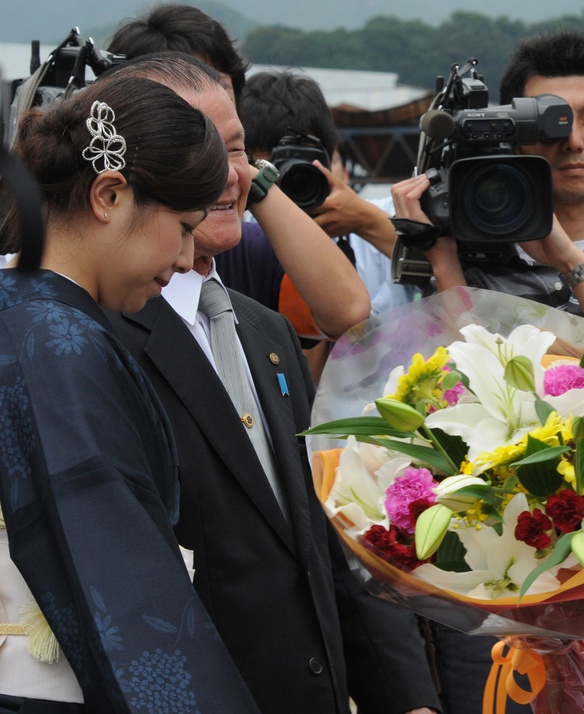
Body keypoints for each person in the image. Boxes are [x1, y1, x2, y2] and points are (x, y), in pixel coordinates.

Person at [101, 53, 439, 714]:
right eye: (198, 152)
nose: (228, 177)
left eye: (236, 151)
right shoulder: (98, 336)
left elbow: (325, 534)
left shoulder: (266, 333)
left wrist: (406, 698)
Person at [393, 30, 584, 714]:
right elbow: (448, 398)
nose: (571, 141)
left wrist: (564, 256)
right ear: (511, 134)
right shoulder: (462, 257)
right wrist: (438, 261)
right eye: (549, 121)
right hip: (481, 578)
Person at [0, 74, 260, 712]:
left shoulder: (24, 309)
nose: (186, 257)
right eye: (183, 226)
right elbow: (110, 563)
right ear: (110, 194)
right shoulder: (56, 343)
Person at [107, 3, 371, 343]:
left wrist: (249, 175)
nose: (221, 171)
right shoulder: (113, 283)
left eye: (217, 86)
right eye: (179, 101)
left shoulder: (249, 247)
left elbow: (349, 314)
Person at [239, 69, 419, 380]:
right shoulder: (241, 236)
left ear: (329, 153)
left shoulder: (391, 213)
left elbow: (458, 276)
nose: (285, 177)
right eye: (269, 168)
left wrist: (366, 222)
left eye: (299, 161)